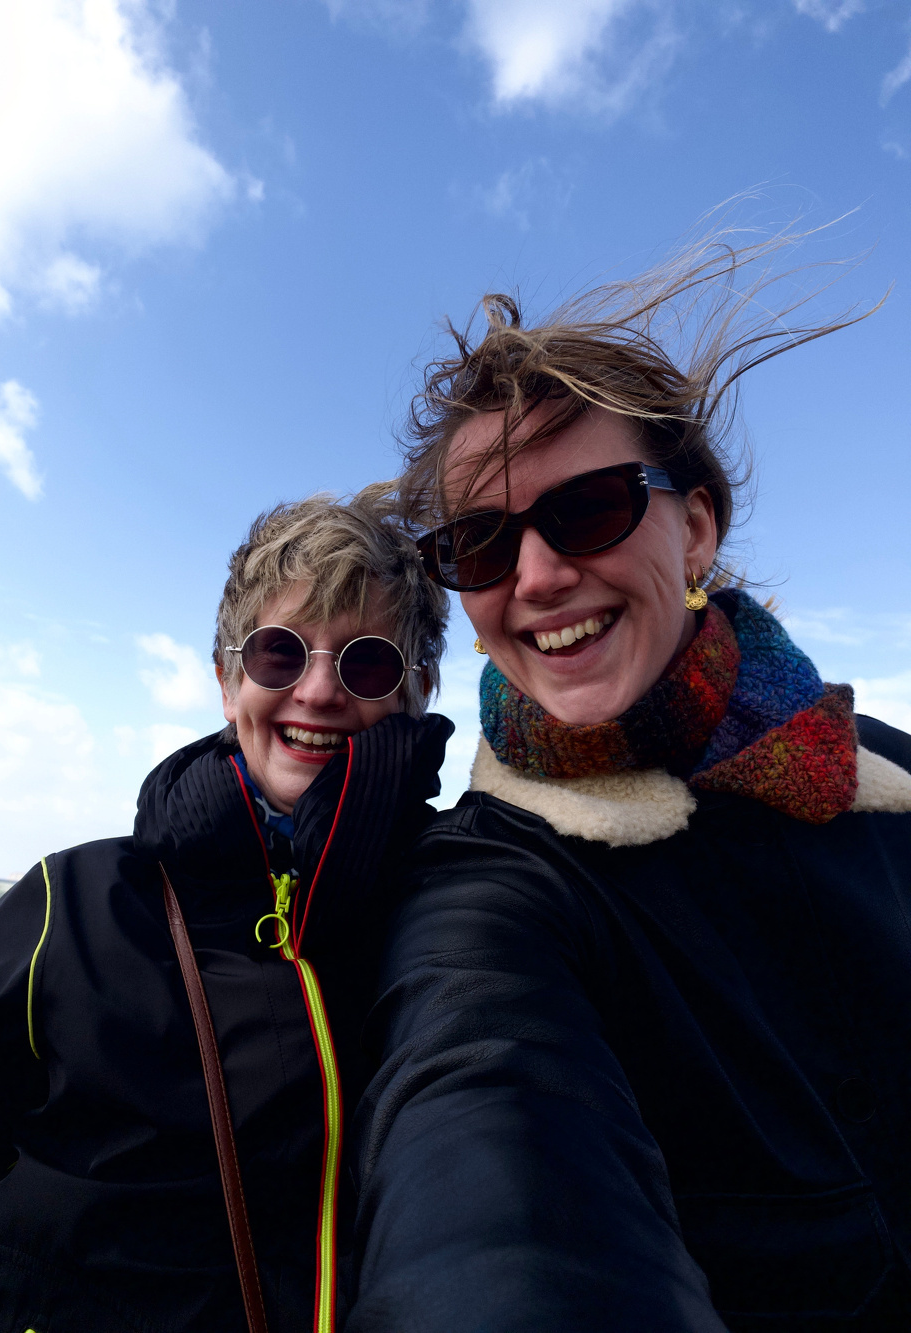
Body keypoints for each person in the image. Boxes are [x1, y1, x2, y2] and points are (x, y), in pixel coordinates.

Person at [347, 240, 911, 1331]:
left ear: (695, 526)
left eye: (591, 506)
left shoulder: (882, 779)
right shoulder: (493, 879)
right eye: (480, 545)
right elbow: (485, 1151)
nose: (540, 575)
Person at [0, 485, 451, 1333]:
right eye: (279, 653)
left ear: (415, 687)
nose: (315, 690)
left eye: (366, 660)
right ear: (227, 679)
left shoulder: (459, 908)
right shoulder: (70, 903)